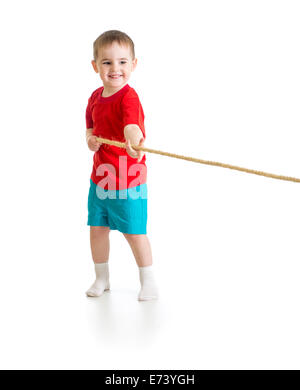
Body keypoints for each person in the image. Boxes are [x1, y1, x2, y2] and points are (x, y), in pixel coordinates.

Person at [85, 30, 158, 301]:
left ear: (133, 64)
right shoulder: (94, 97)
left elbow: (131, 125)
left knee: (134, 232)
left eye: (122, 62)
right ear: (95, 66)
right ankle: (101, 277)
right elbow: (90, 128)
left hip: (129, 179)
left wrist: (133, 140)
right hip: (101, 178)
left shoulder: (129, 97)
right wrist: (90, 141)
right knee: (97, 229)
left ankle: (148, 281)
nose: (115, 68)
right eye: (107, 62)